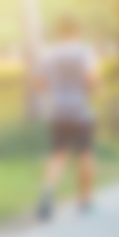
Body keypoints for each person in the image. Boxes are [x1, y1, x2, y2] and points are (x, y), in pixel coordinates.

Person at [36, 18, 99, 221]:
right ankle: (84, 200)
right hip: (81, 111)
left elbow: (38, 84)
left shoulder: (49, 54)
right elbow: (91, 80)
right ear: (77, 32)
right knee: (85, 154)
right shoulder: (84, 52)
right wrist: (93, 89)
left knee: (58, 154)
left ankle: (47, 190)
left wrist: (55, 91)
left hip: (58, 111)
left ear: (59, 33)